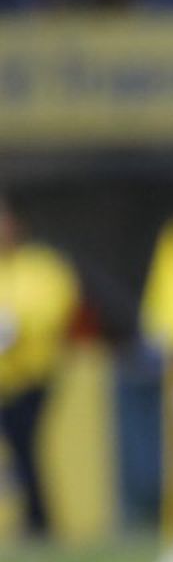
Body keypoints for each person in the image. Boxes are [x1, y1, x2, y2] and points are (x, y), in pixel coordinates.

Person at [0, 194, 80, 541]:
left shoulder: (41, 266)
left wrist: (18, 325)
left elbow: (55, 307)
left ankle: (39, 522)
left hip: (31, 378)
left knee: (24, 448)